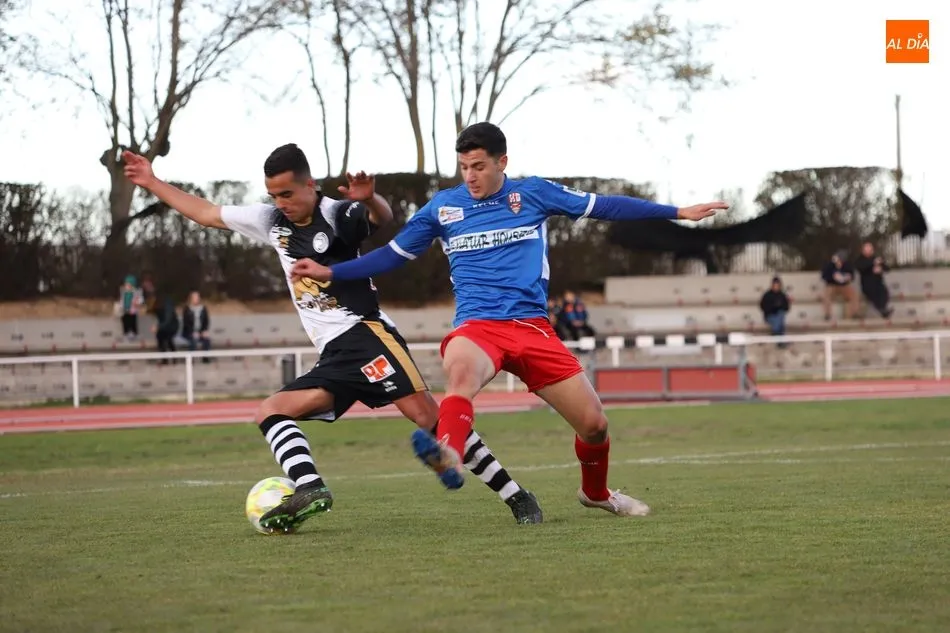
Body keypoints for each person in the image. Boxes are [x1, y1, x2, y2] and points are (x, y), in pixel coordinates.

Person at [290, 122, 726, 517]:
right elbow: (392, 255)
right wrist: (331, 271)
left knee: (594, 426)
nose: (471, 176)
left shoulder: (533, 193)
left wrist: (678, 212)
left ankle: (595, 493)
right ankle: (449, 454)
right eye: (463, 167)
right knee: (460, 374)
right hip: (478, 327)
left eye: (479, 166)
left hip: (533, 329)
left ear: (502, 162)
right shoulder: (443, 209)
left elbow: (605, 205)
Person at [122, 143, 542, 531]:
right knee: (271, 411)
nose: (280, 204)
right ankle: (309, 487)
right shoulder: (271, 221)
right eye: (273, 195)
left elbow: (380, 220)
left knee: (429, 419)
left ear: (310, 185)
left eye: (287, 193)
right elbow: (207, 213)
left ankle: (517, 496)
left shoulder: (337, 213)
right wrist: (151, 180)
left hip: (367, 337)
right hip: (334, 355)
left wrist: (370, 199)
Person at [854, 242, 893, 318]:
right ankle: (883, 310)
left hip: (878, 283)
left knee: (884, 292)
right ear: (863, 251)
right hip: (867, 285)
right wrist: (873, 263)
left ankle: (883, 310)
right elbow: (861, 267)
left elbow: (887, 269)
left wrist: (881, 269)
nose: (868, 251)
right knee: (873, 293)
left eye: (870, 249)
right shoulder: (860, 260)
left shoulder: (876, 259)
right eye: (866, 250)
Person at [820, 250, 859, 320]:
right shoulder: (829, 265)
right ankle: (827, 314)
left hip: (844, 285)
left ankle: (854, 313)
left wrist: (848, 277)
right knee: (826, 295)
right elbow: (823, 276)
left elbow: (852, 275)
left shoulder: (847, 265)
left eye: (841, 261)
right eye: (838, 260)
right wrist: (833, 277)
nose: (839, 263)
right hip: (832, 285)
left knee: (854, 295)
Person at [181, 290, 212, 361]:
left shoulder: (203, 308)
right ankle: (191, 359)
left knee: (207, 340)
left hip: (201, 331)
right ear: (191, 299)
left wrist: (204, 330)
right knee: (193, 339)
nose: (196, 299)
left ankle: (206, 358)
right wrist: (192, 332)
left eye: (197, 297)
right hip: (189, 332)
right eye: (194, 297)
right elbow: (186, 323)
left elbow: (206, 321)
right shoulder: (187, 309)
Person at [759, 276, 790, 346]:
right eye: (775, 285)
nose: (776, 287)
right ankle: (780, 338)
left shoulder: (782, 295)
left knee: (780, 316)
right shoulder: (767, 295)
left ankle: (776, 333)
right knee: (780, 322)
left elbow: (786, 307)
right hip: (770, 316)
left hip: (779, 315)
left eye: (777, 285)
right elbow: (763, 306)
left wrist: (780, 306)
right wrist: (773, 307)